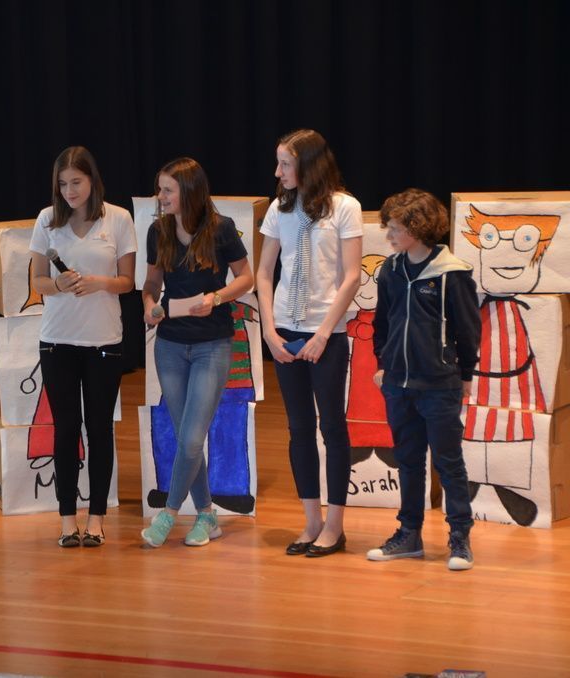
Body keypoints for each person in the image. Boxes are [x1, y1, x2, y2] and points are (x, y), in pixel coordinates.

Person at [255, 129, 362, 557]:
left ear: (308, 165)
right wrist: (269, 330)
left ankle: (335, 526)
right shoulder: (279, 208)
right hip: (285, 331)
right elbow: (264, 272)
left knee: (332, 426)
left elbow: (352, 276)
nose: (277, 171)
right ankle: (312, 521)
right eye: (278, 162)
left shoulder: (345, 207)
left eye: (285, 163)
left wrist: (322, 333)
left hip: (326, 334)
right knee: (298, 427)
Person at [140, 157, 254, 548]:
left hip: (212, 345)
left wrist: (216, 298)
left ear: (189, 191)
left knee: (191, 440)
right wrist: (149, 306)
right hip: (170, 345)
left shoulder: (221, 229)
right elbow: (151, 284)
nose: (161, 196)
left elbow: (246, 278)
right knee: (186, 437)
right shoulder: (158, 231)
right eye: (160, 189)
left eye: (167, 190)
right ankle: (207, 514)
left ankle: (168, 514)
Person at [29, 146, 137, 547]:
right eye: (62, 184)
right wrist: (58, 284)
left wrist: (97, 283)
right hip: (57, 342)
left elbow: (127, 282)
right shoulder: (46, 219)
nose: (69, 191)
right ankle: (66, 520)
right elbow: (38, 281)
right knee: (65, 429)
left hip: (103, 341)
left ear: (92, 180)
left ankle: (96, 519)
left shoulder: (118, 218)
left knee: (99, 429)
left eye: (76, 182)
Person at [368, 189, 481, 570]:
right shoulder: (390, 270)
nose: (389, 235)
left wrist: (465, 374)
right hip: (398, 385)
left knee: (449, 463)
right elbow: (382, 323)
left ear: (416, 229)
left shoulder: (452, 273)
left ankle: (460, 538)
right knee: (408, 460)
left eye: (395, 228)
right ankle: (409, 534)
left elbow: (468, 329)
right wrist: (382, 364)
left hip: (439, 385)